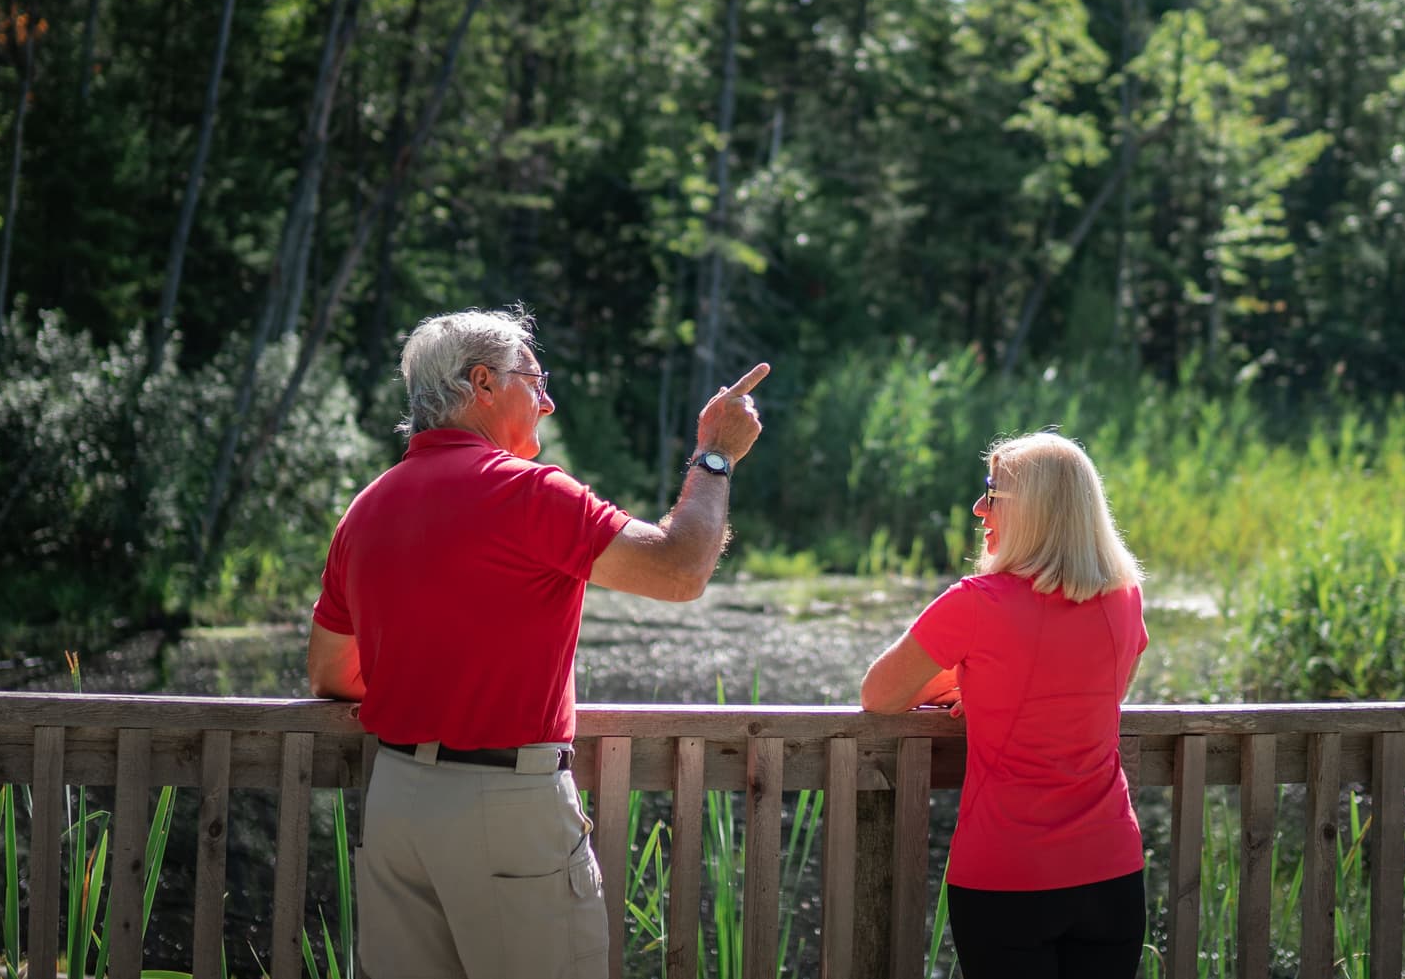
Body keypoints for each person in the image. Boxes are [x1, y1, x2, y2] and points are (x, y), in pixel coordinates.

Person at [307, 306, 768, 979]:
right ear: (484, 383)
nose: (548, 401)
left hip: (398, 801)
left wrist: (429, 694)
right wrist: (716, 453)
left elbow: (329, 671)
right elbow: (680, 567)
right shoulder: (529, 494)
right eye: (536, 379)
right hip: (506, 809)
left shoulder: (368, 508)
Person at [860, 431, 1148, 979]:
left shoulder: (974, 603)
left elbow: (880, 695)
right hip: (1111, 869)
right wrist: (991, 684)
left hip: (1009, 876)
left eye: (992, 493)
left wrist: (973, 682)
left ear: (1035, 510)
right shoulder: (1124, 598)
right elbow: (1107, 692)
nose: (978, 507)